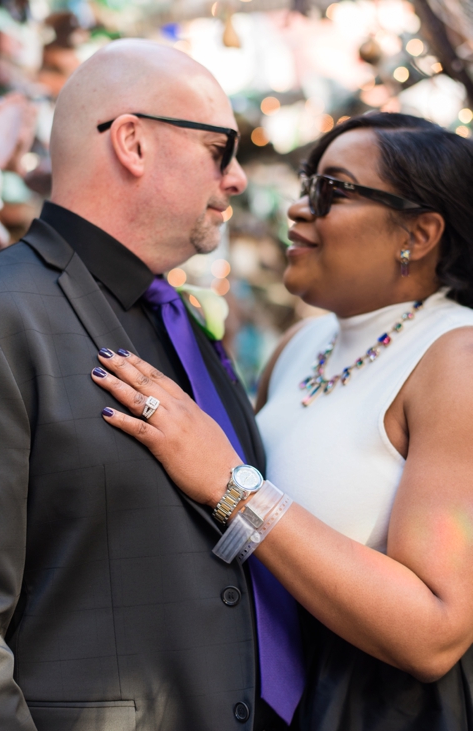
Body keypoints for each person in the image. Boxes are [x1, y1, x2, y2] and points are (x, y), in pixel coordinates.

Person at [90, 112, 473, 730]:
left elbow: (435, 634)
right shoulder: (304, 341)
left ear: (421, 232)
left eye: (332, 190)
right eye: (305, 183)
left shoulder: (457, 358)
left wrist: (229, 484)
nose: (298, 209)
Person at [0, 40, 298, 731]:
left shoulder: (185, 317)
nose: (240, 179)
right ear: (132, 141)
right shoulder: (3, 315)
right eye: (223, 150)